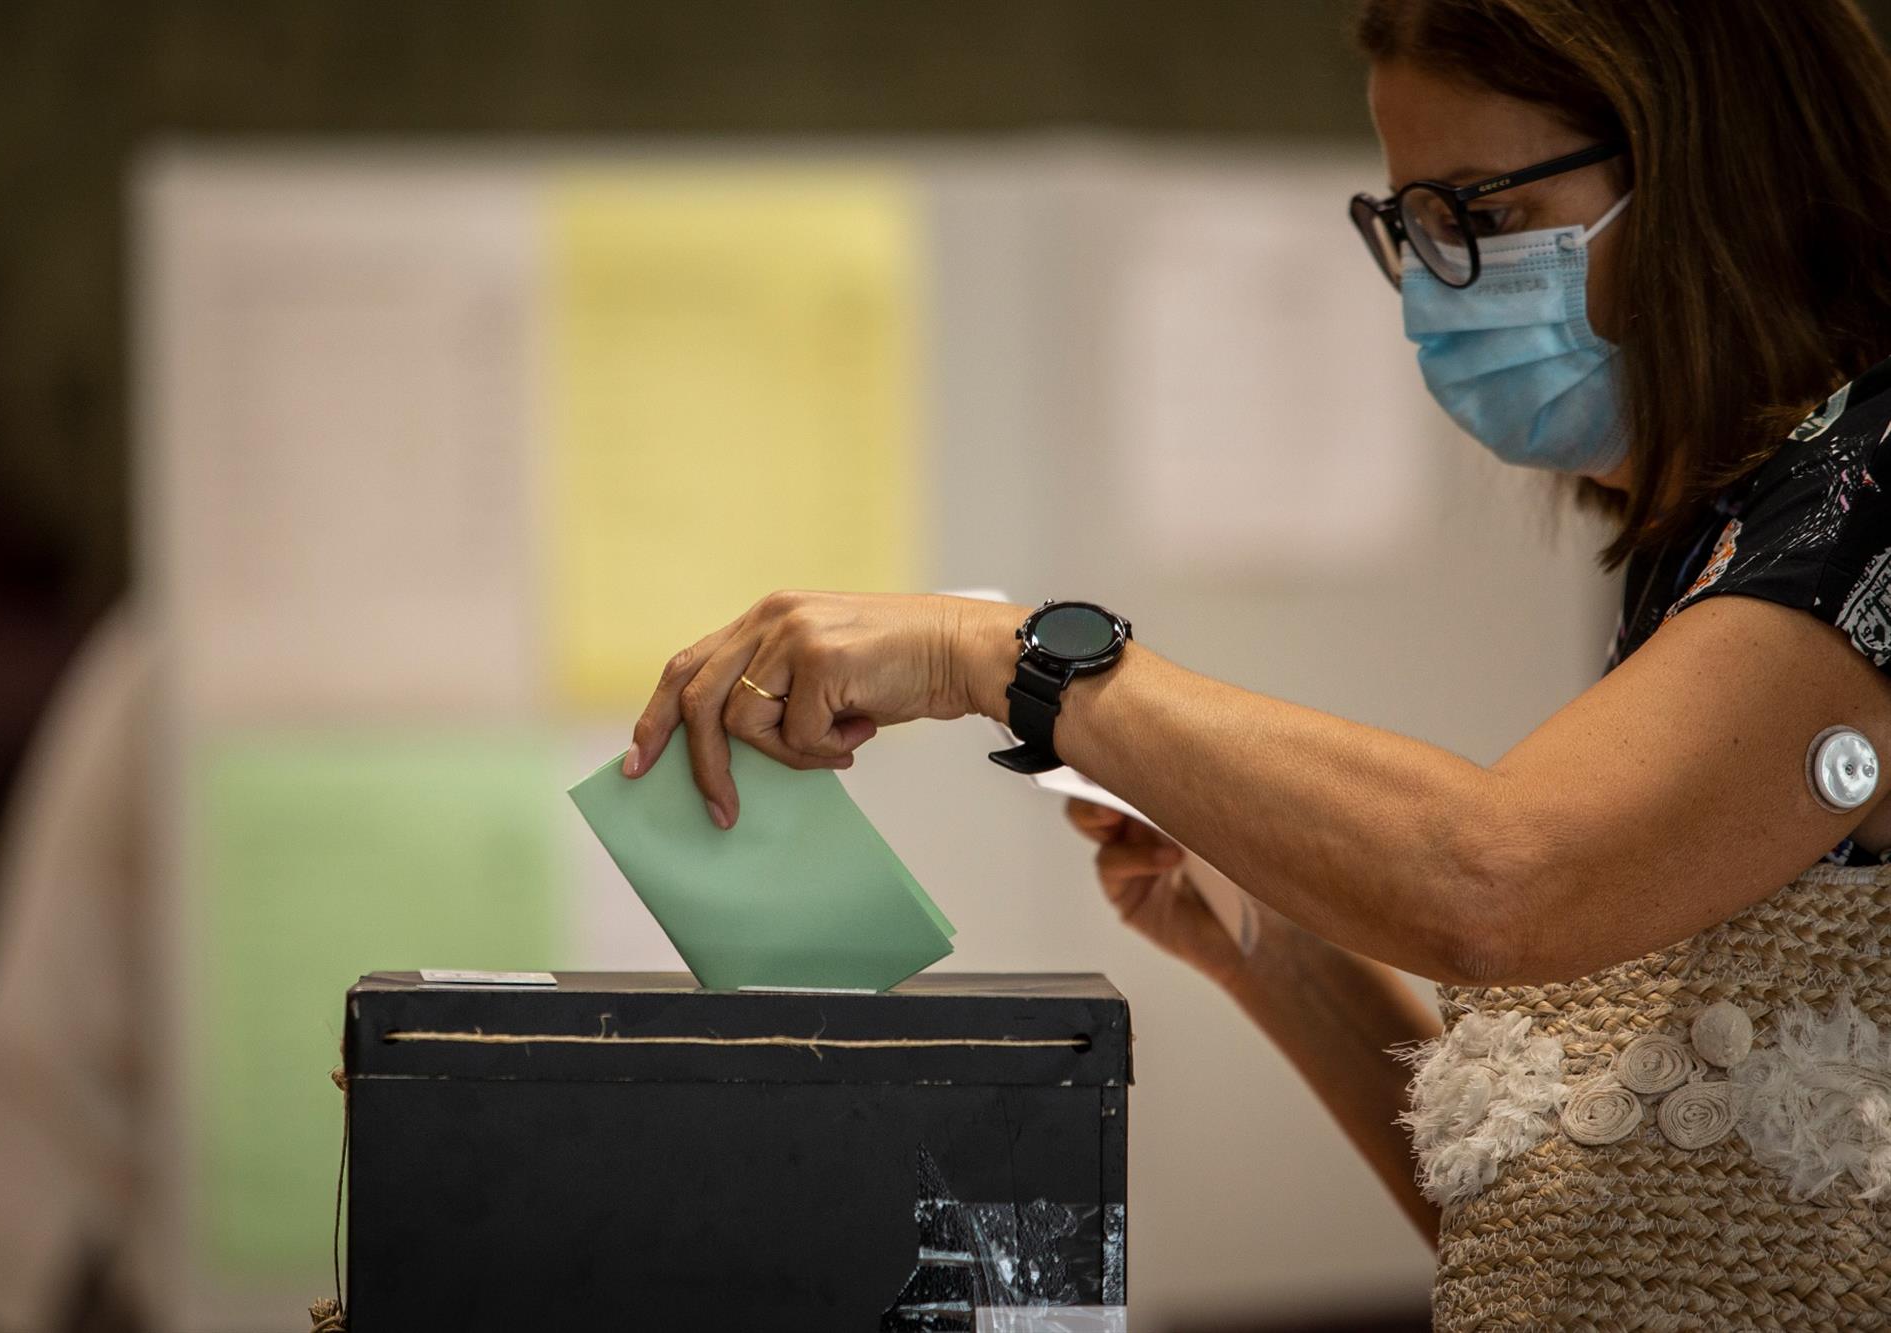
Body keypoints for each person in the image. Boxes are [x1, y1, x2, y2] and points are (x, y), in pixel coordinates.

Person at [623, 1, 1891, 1324]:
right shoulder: (1703, 553)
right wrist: (1269, 937)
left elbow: (1499, 874)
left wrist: (1005, 659)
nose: (1432, 278)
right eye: (1411, 225)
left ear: (1706, 170)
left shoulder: (1870, 498)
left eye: (1482, 215)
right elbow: (1571, 1242)